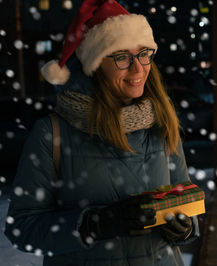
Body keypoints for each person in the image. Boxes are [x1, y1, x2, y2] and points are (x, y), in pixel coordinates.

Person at [4, 0, 200, 265]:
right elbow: (23, 229)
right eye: (121, 57)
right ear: (95, 65)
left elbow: (184, 198)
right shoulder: (52, 134)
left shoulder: (161, 123)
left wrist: (185, 228)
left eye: (144, 53)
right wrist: (94, 224)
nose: (138, 68)